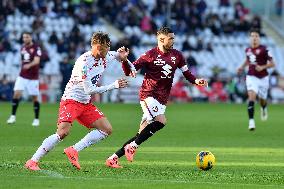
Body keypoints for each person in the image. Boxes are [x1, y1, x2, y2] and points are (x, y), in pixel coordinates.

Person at [24, 32, 136, 171]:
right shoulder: (83, 62)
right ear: (98, 46)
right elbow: (89, 89)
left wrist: (127, 60)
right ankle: (32, 161)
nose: (109, 50)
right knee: (63, 132)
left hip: (85, 103)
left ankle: (74, 150)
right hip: (71, 100)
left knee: (106, 129)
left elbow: (119, 56)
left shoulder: (106, 55)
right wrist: (114, 85)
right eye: (107, 47)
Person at [105, 27, 208, 168]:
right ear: (161, 39)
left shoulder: (177, 55)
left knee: (141, 134)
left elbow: (187, 73)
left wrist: (196, 81)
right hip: (148, 95)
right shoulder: (149, 55)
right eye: (170, 38)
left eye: (173, 37)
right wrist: (124, 61)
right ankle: (132, 147)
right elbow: (130, 71)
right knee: (161, 121)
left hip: (162, 99)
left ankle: (113, 158)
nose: (173, 40)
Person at [237, 28, 275, 131]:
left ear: (259, 38)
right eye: (252, 36)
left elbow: (273, 64)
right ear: (250, 38)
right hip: (251, 76)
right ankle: (251, 122)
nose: (254, 38)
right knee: (251, 97)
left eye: (256, 36)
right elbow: (247, 60)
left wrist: (262, 67)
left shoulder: (265, 50)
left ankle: (263, 108)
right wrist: (241, 67)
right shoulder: (248, 50)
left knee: (262, 99)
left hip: (263, 78)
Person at [7, 32, 42, 126]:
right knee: (16, 94)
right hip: (22, 75)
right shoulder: (22, 48)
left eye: (27, 37)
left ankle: (36, 119)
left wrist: (29, 65)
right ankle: (13, 116)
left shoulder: (36, 48)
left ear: (31, 37)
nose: (25, 39)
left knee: (34, 98)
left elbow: (37, 61)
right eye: (23, 37)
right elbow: (23, 60)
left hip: (33, 77)